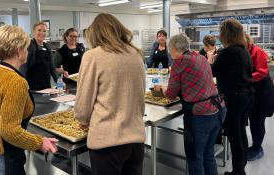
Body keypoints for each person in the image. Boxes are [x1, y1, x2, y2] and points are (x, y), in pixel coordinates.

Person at [0, 25, 58, 175]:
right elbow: (10, 131)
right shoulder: (16, 81)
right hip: (2, 153)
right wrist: (40, 142)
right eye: (26, 48)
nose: (28, 51)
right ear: (18, 51)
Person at [74, 13, 146, 175]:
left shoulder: (92, 56)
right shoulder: (135, 54)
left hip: (107, 142)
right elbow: (141, 95)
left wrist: (83, 119)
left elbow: (83, 103)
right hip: (135, 139)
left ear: (95, 33)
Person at [155, 33, 226, 175]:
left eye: (170, 49)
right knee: (208, 153)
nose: (170, 52)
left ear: (175, 48)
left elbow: (171, 94)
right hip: (217, 110)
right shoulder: (200, 57)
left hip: (200, 116)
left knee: (195, 158)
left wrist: (162, 89)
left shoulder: (179, 62)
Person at [211, 19, 254, 175]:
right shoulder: (243, 50)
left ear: (226, 34)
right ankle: (240, 168)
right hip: (246, 96)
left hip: (234, 99)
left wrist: (211, 60)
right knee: (240, 132)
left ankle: (238, 172)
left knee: (234, 135)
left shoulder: (228, 52)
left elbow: (212, 71)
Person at [245, 33, 274, 161]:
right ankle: (255, 146)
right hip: (254, 91)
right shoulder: (246, 52)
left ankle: (257, 148)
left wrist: (245, 79)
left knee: (258, 121)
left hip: (263, 91)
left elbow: (261, 73)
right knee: (253, 120)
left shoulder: (258, 52)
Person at [24, 21, 58, 90]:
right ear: (34, 32)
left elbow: (51, 66)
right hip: (32, 85)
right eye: (39, 30)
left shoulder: (47, 46)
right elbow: (25, 66)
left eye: (44, 31)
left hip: (46, 84)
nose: (42, 33)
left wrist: (58, 81)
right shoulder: (30, 45)